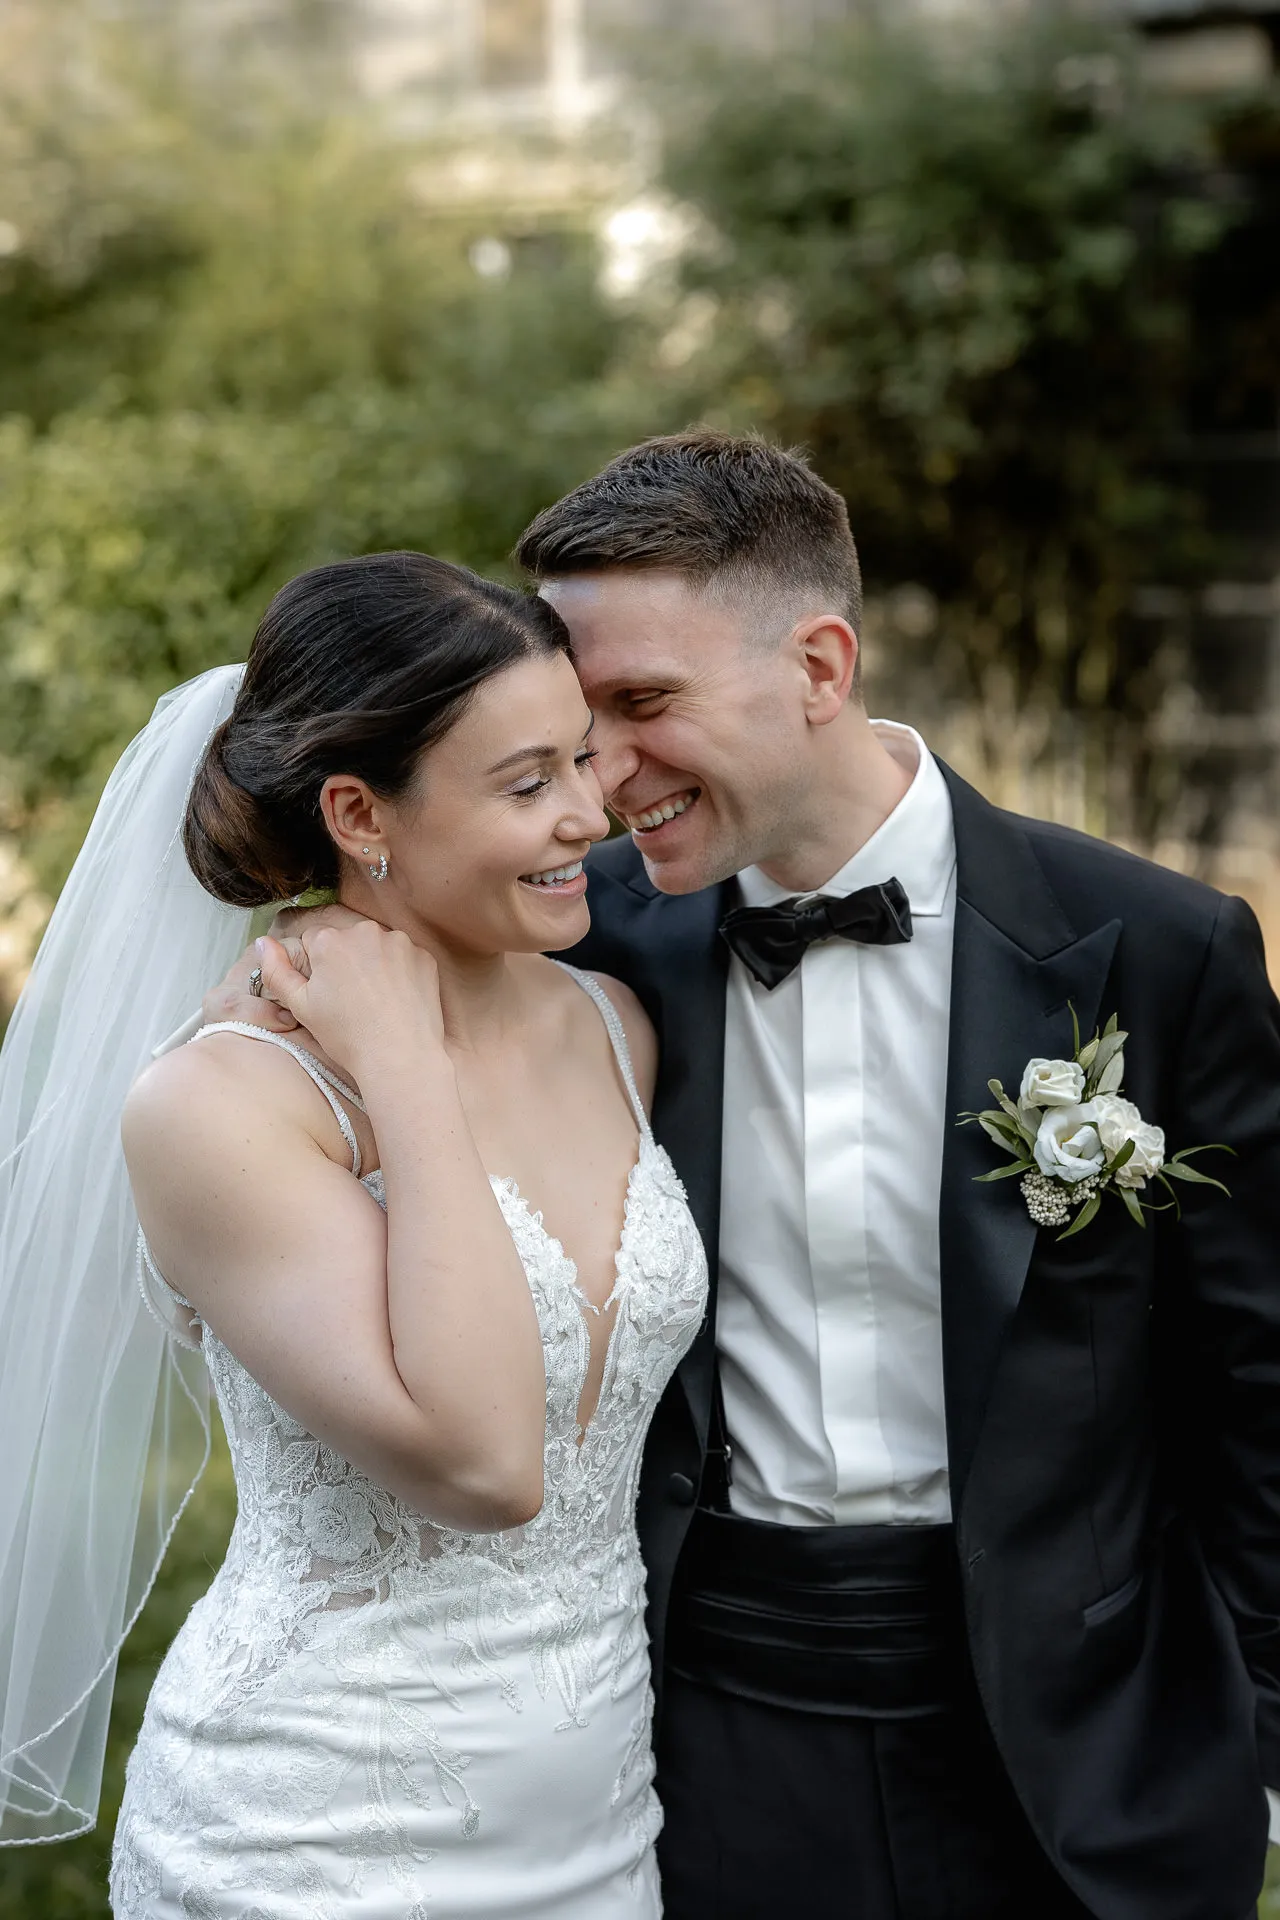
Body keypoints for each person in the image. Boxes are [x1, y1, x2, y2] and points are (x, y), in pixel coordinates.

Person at [210, 433, 1280, 1920]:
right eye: (578, 731)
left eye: (645, 706)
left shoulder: (1157, 950)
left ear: (821, 667)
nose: (600, 785)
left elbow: (1258, 1393)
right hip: (706, 1741)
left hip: (1089, 1751)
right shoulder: (587, 963)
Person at [0, 551, 708, 1918]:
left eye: (581, 759)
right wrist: (402, 1067)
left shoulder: (614, 1031)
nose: (589, 818)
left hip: (607, 1824)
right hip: (315, 1841)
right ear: (357, 812)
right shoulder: (221, 1103)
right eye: (527, 784)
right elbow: (486, 1461)